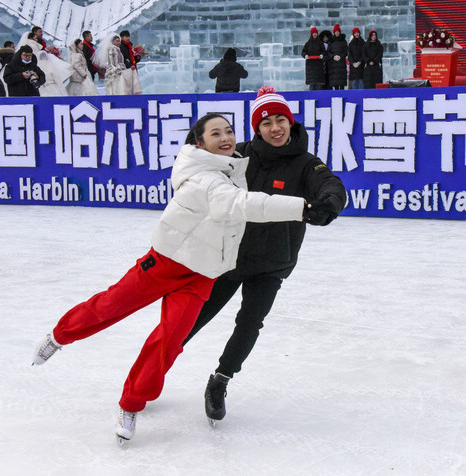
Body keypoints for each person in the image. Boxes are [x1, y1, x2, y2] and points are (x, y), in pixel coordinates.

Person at [31, 112, 310, 444]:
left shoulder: (232, 169)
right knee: (109, 306)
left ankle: (131, 404)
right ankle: (60, 335)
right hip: (166, 262)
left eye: (229, 131)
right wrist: (302, 208)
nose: (225, 138)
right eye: (215, 133)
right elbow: (242, 204)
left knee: (170, 341)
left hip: (202, 275)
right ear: (200, 142)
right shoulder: (204, 175)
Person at [183, 86, 347, 426]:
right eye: (267, 122)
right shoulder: (239, 155)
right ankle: (154, 367)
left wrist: (330, 203)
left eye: (281, 120)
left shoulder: (306, 164)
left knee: (249, 324)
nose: (275, 128)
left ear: (290, 123)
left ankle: (220, 381)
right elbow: (199, 164)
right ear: (257, 128)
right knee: (191, 319)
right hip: (229, 257)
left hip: (272, 263)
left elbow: (330, 184)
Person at [17, 27, 71, 96]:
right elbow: (37, 55)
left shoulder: (32, 44)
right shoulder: (33, 45)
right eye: (39, 32)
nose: (40, 35)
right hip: (40, 64)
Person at [119, 30, 143, 95]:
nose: (128, 38)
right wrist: (129, 65)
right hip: (127, 69)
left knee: (134, 85)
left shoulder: (130, 45)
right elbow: (122, 59)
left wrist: (137, 58)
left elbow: (132, 57)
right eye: (126, 36)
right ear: (122, 37)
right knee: (128, 86)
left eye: (128, 36)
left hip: (133, 67)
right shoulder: (121, 46)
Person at [326, 24, 348, 90]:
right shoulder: (331, 41)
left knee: (341, 83)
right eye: (336, 31)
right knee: (335, 83)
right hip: (333, 65)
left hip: (341, 64)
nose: (337, 33)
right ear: (334, 32)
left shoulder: (343, 41)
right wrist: (333, 56)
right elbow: (328, 52)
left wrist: (341, 56)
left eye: (338, 31)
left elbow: (346, 51)